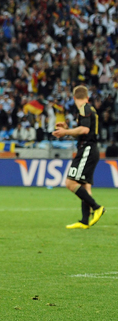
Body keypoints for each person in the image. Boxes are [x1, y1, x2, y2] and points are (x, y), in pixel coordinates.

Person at [53, 85, 105, 229]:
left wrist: (65, 132)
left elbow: (85, 129)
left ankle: (97, 208)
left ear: (74, 98)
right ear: (87, 97)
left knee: (70, 183)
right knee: (84, 186)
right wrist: (66, 126)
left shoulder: (84, 109)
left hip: (87, 149)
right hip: (92, 149)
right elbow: (82, 128)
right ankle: (84, 221)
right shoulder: (89, 109)